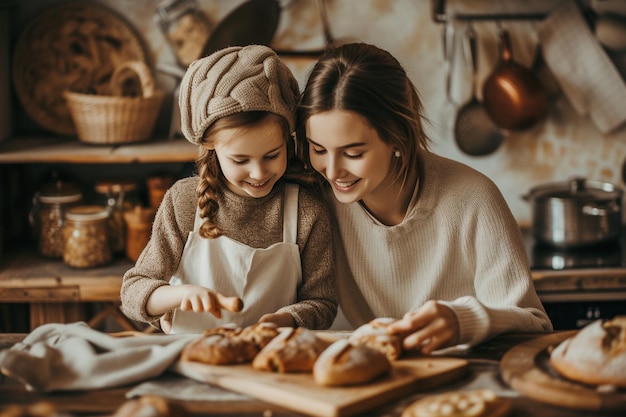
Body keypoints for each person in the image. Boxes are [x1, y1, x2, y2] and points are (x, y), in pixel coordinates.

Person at [295, 42, 552, 353]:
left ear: (397, 137)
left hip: (464, 384)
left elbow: (536, 325)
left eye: (353, 153)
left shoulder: (474, 198)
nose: (333, 170)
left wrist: (465, 320)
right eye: (318, 149)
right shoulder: (313, 197)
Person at [120, 45, 337, 334]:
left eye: (272, 155)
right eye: (240, 160)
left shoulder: (307, 211)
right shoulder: (183, 202)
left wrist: (285, 320)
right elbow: (133, 292)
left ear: (288, 139)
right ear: (211, 147)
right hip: (191, 358)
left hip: (269, 361)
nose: (259, 173)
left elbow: (322, 303)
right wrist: (177, 295)